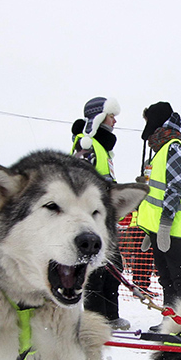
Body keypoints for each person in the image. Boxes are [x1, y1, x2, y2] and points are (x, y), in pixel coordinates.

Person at [71, 96, 131, 330]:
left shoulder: (102, 148)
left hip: (104, 220)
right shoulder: (85, 145)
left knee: (112, 269)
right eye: (111, 115)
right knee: (96, 271)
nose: (114, 121)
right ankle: (96, 321)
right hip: (91, 221)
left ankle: (110, 316)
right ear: (98, 117)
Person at [137, 101, 181, 328]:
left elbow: (175, 188)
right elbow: (156, 194)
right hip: (160, 229)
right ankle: (172, 322)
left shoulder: (173, 147)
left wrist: (164, 223)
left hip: (173, 229)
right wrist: (150, 228)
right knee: (166, 278)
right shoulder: (161, 151)